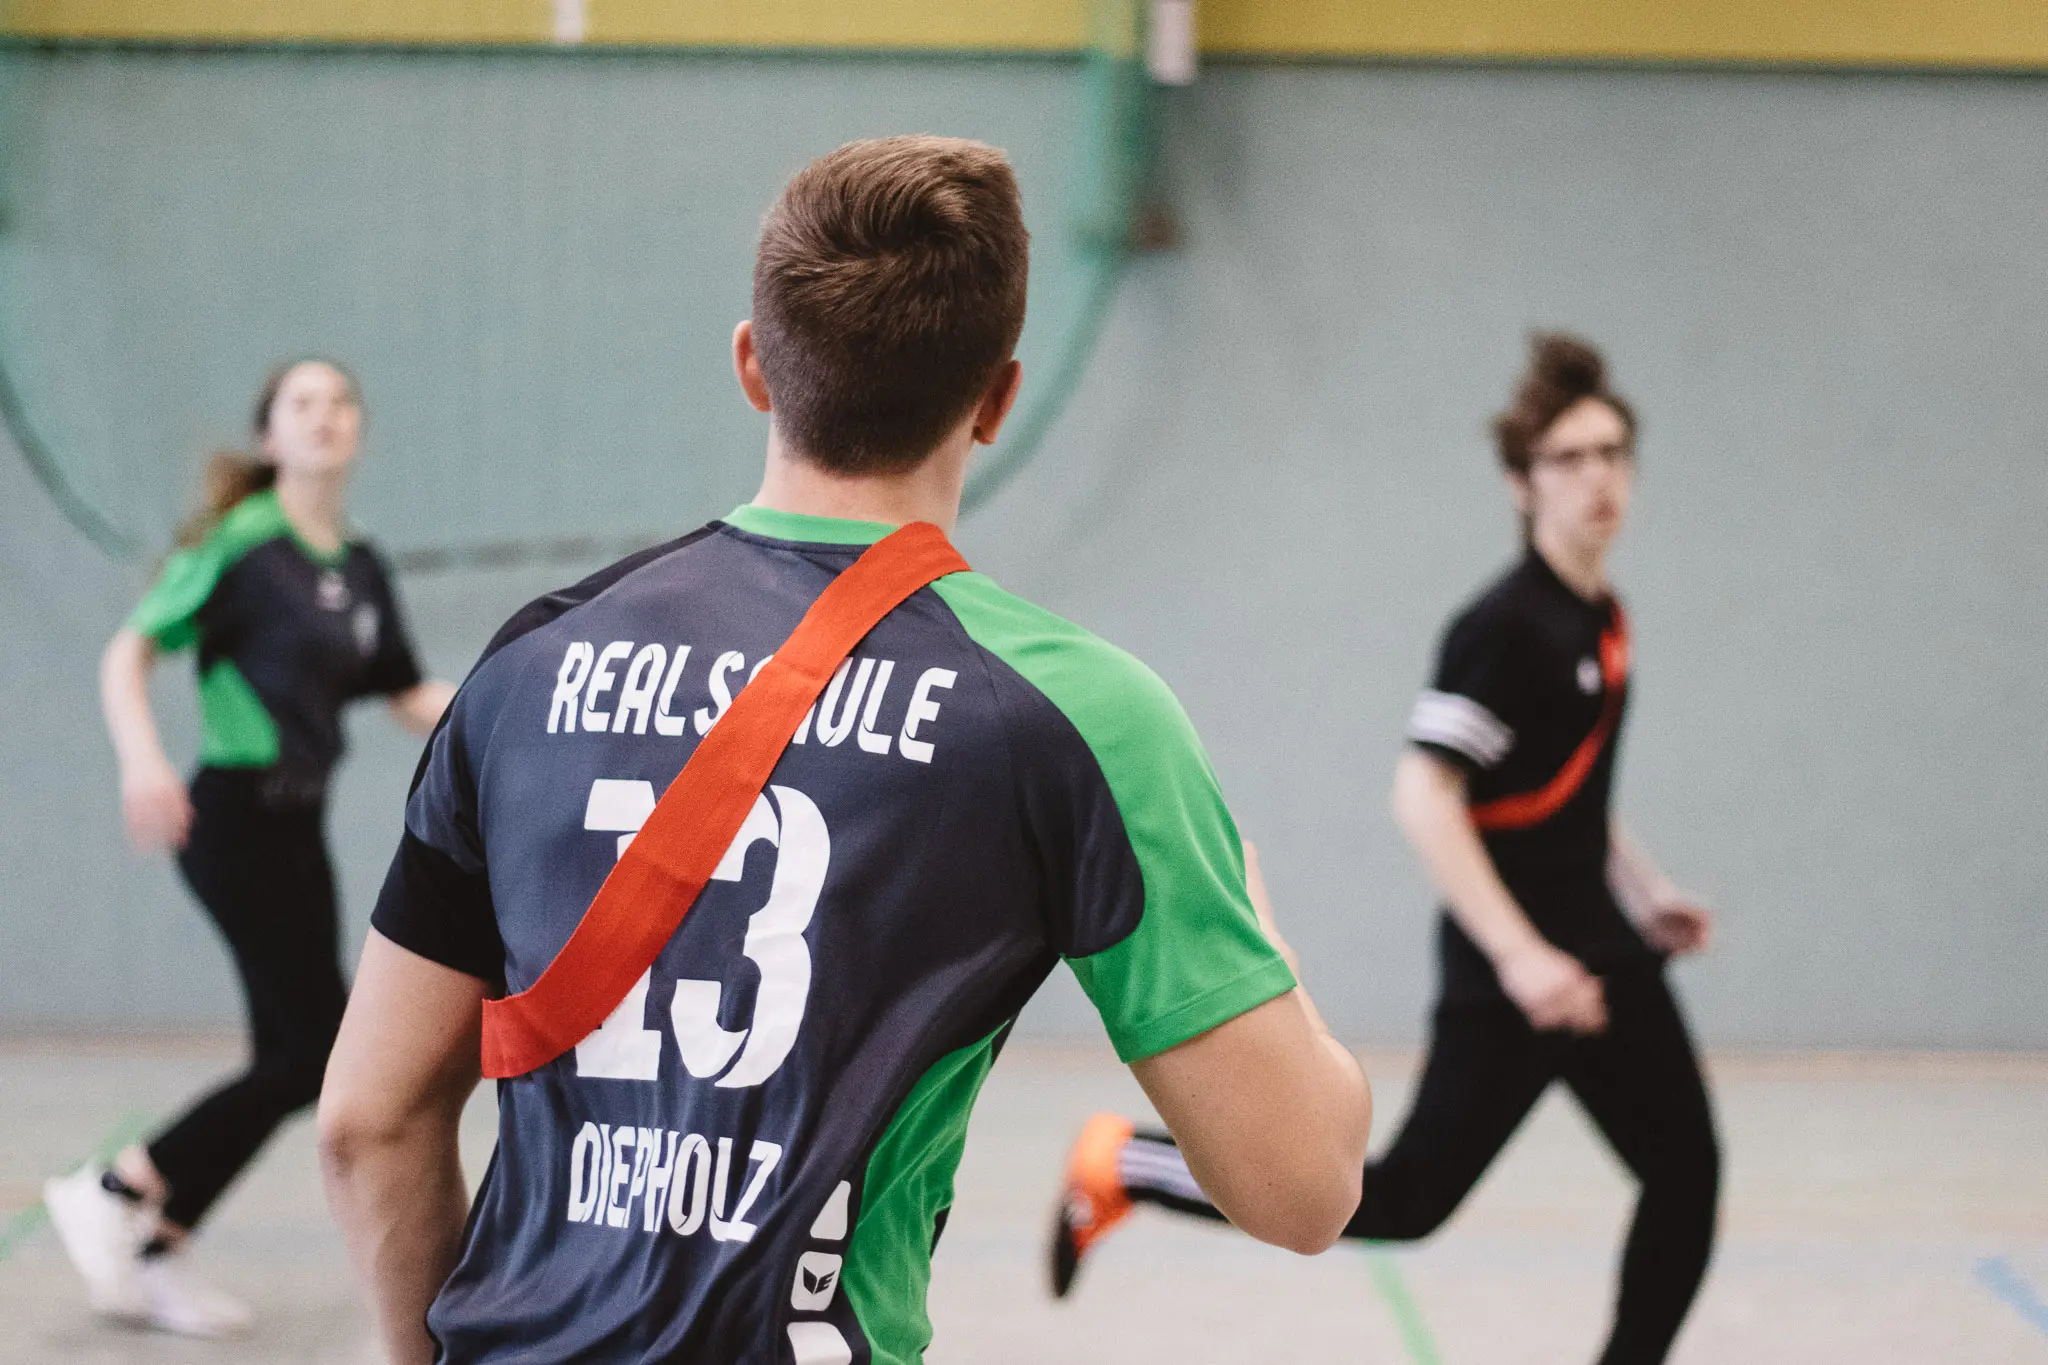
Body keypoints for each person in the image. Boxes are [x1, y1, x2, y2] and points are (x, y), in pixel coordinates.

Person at [315, 135, 1369, 1365]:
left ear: (753, 366)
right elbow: (1302, 1189)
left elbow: (368, 1123)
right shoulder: (1072, 716)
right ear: (996, 401)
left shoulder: (529, 663)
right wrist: (1242, 900)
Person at [1049, 334, 1721, 1365]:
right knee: (1400, 1197)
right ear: (1520, 482)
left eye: (1612, 453)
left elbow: (1569, 791)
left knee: (1684, 1171)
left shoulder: (1600, 617)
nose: (1598, 478)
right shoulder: (1503, 628)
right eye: (1569, 458)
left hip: (1602, 951)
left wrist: (1643, 888)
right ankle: (1127, 1164)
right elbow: (1423, 794)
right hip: (1520, 968)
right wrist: (1521, 959)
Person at [43, 359, 455, 1338]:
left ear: (358, 430)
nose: (325, 416)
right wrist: (142, 760)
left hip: (298, 828)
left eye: (341, 402)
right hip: (231, 824)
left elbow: (407, 693)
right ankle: (119, 1186)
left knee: (297, 1055)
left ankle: (154, 1244)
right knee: (316, 1052)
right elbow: (130, 650)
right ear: (270, 437)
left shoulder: (359, 568)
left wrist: (506, 715)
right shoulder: (240, 546)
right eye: (301, 404)